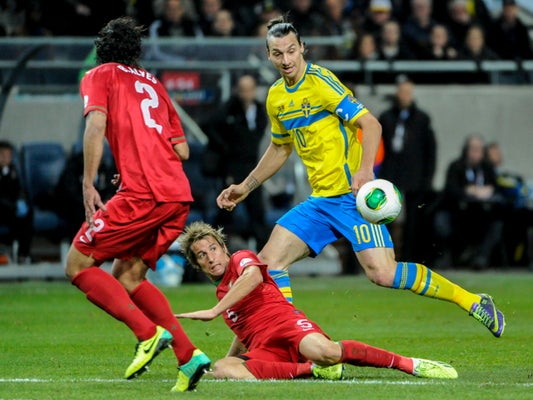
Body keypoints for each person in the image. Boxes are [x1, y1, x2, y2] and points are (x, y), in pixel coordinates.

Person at [216, 15, 505, 338]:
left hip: (353, 198)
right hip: (320, 202)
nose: (286, 60)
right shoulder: (276, 97)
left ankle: (473, 301)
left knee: (383, 273)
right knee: (269, 263)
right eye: (278, 53)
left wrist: (364, 171)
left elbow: (372, 125)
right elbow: (280, 148)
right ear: (268, 56)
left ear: (302, 49)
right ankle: (294, 340)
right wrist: (246, 186)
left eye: (291, 51)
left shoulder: (321, 82)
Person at [63, 17, 210, 393]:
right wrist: (133, 163)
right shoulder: (154, 84)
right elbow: (182, 148)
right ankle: (188, 354)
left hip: (144, 193)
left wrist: (88, 181)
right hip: (176, 195)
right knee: (128, 276)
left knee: (77, 264)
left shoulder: (100, 75)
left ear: (103, 49)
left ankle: (147, 334)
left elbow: (96, 124)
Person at [175, 221, 458, 382]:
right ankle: (309, 372)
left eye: (213, 248)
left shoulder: (240, 259)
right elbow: (243, 332)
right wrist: (233, 359)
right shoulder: (222, 295)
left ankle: (408, 364)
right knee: (223, 368)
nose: (211, 257)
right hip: (266, 347)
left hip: (286, 325)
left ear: (224, 248)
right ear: (197, 264)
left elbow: (254, 278)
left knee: (325, 351)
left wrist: (214, 311)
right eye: (202, 255)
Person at [202, 74, 270, 251]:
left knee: (257, 212)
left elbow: (257, 134)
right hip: (232, 168)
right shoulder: (229, 109)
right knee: (226, 211)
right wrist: (226, 148)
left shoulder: (259, 110)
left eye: (249, 89)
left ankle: (266, 260)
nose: (245, 93)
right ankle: (210, 249)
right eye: (242, 90)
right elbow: (209, 125)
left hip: (253, 168)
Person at [378, 76, 436, 261]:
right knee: (385, 216)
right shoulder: (386, 118)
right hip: (390, 174)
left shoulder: (422, 119)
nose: (405, 96)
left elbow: (430, 151)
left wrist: (427, 179)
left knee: (413, 221)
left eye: (408, 92)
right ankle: (385, 257)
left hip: (414, 176)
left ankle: (410, 258)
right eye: (402, 92)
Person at [434, 135, 506, 269]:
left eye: (479, 149)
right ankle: (446, 257)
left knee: (497, 223)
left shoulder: (487, 168)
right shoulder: (456, 166)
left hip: (481, 213)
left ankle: (481, 258)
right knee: (441, 221)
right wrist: (468, 190)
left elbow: (497, 188)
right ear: (466, 150)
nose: (476, 153)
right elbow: (451, 189)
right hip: (457, 211)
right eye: (473, 149)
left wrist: (488, 190)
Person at [0, 140, 33, 264]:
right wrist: (13, 206)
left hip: (10, 209)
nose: (5, 159)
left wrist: (21, 200)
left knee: (28, 213)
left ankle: (23, 254)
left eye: (8, 156)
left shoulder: (13, 170)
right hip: (3, 208)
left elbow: (20, 189)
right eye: (2, 155)